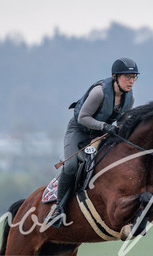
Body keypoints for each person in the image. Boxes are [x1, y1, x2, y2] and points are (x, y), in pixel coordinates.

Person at [45, 57, 139, 227]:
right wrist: (104, 126)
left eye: (133, 77)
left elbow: (122, 122)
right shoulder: (99, 92)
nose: (131, 81)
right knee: (71, 166)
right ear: (115, 77)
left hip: (100, 134)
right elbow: (82, 117)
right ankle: (58, 209)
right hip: (79, 131)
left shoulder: (129, 99)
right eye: (127, 77)